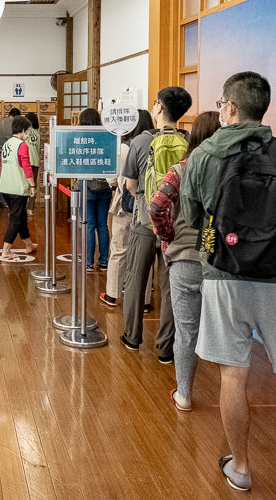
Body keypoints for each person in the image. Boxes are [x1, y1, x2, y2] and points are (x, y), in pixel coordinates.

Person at [179, 72, 276, 492]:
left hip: (222, 274)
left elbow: (189, 217)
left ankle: (239, 466)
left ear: (232, 108)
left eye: (222, 103)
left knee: (232, 375)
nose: (220, 109)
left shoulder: (203, 155)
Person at [149, 111, 220, 412]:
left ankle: (185, 394)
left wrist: (169, 236)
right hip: (220, 262)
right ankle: (231, 396)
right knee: (225, 332)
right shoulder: (228, 172)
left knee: (186, 330)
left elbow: (156, 206)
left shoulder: (180, 169)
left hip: (185, 259)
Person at [119, 86, 192, 364]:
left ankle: (132, 337)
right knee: (170, 285)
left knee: (136, 279)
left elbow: (131, 185)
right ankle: (165, 347)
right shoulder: (191, 142)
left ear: (159, 108)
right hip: (178, 227)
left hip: (145, 222)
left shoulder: (140, 141)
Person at [101, 109, 154, 307]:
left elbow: (112, 178)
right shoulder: (155, 144)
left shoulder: (124, 148)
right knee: (145, 255)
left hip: (125, 204)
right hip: (149, 207)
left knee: (119, 249)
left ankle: (112, 294)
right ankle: (145, 300)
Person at [0, 116, 38, 259]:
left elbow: (2, 166)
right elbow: (26, 166)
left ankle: (28, 245)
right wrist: (32, 185)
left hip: (5, 186)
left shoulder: (6, 144)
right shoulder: (22, 145)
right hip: (17, 188)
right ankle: (6, 250)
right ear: (23, 130)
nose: (27, 133)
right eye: (26, 130)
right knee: (15, 218)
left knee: (20, 216)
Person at [77, 108, 112, 272]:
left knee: (89, 224)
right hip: (105, 186)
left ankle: (89, 262)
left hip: (87, 186)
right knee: (103, 225)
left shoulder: (80, 139)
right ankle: (104, 261)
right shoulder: (106, 137)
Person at [24, 112, 41, 216]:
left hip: (25, 161)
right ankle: (30, 209)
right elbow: (38, 149)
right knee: (32, 185)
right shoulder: (37, 134)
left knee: (23, 184)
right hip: (35, 161)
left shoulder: (24, 132)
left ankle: (21, 207)